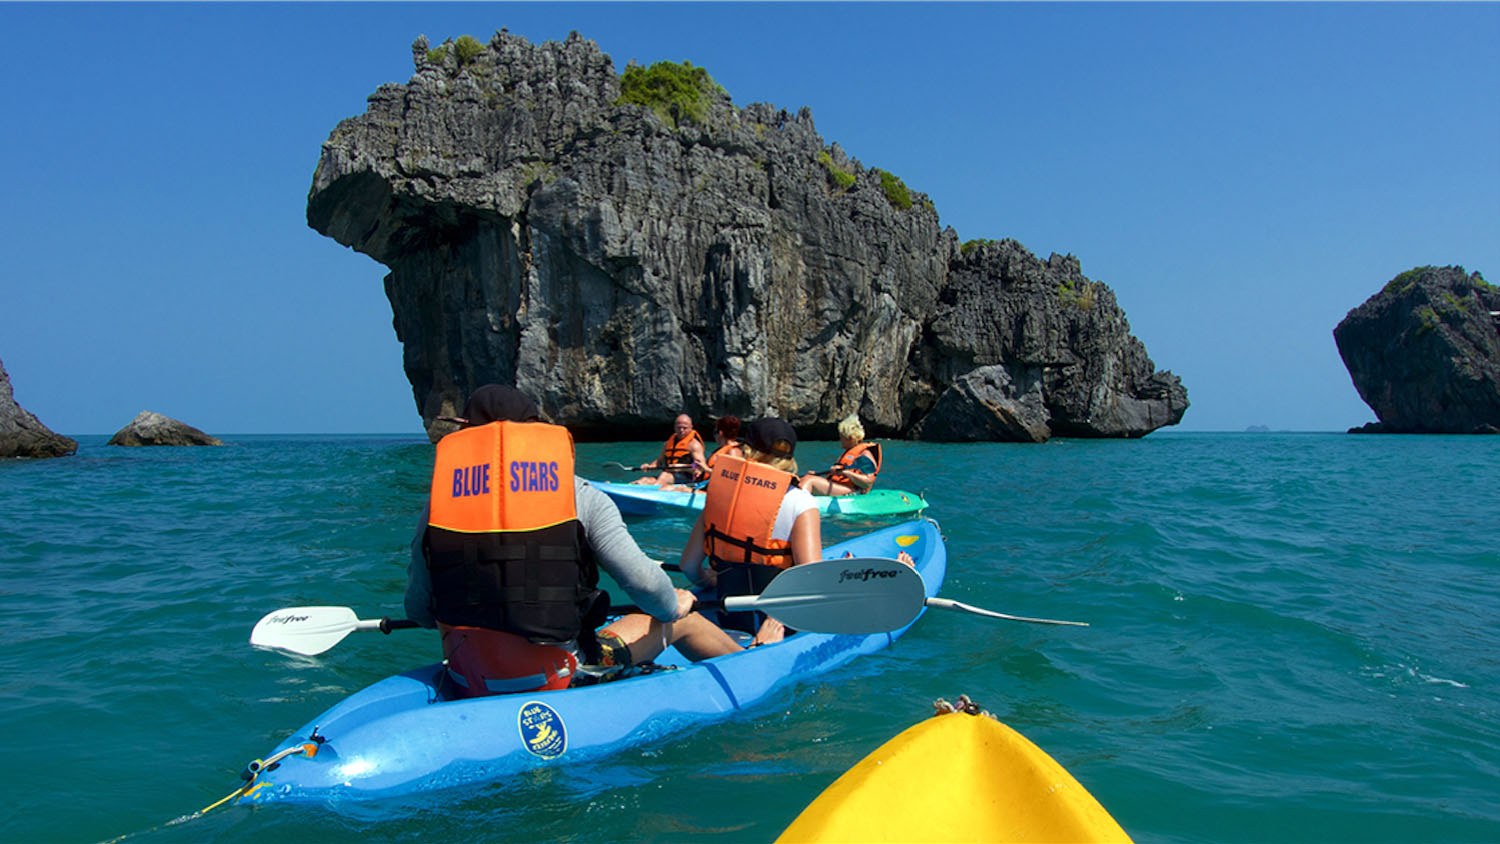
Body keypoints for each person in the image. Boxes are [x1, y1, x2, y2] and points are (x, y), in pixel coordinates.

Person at [404, 384, 701, 698]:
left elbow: (418, 611)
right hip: (559, 674)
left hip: (468, 674)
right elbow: (646, 585)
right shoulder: (582, 496)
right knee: (682, 619)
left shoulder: (438, 507)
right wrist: (673, 606)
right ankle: (750, 657)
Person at [603, 417, 822, 661]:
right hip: (776, 625)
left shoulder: (720, 493)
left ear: (746, 450)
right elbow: (809, 579)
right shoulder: (801, 502)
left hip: (727, 613)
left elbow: (688, 566)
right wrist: (776, 620)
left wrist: (708, 580)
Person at [799, 414, 882, 496]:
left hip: (854, 491)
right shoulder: (847, 453)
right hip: (840, 486)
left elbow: (868, 482)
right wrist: (816, 475)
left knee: (810, 481)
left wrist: (845, 472)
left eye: (842, 437)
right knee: (804, 478)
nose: (840, 440)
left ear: (850, 438)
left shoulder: (865, 454)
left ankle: (799, 506)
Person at [630, 413, 706, 487]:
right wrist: (649, 466)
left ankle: (653, 493)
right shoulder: (667, 444)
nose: (681, 430)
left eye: (685, 428)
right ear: (674, 427)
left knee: (664, 476)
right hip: (668, 476)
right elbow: (659, 461)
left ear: (691, 427)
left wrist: (682, 466)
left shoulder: (694, 445)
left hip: (687, 477)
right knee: (644, 480)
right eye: (679, 427)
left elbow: (700, 467)